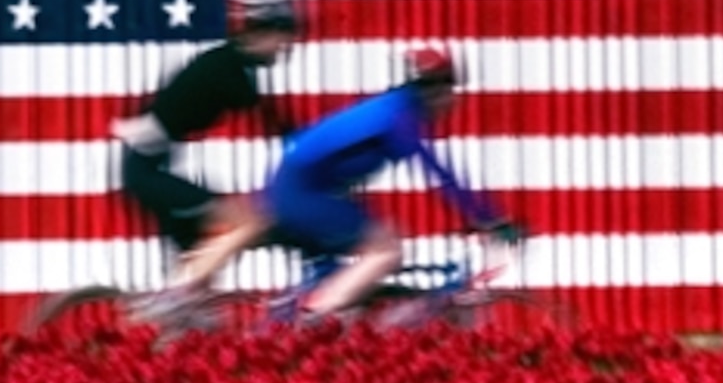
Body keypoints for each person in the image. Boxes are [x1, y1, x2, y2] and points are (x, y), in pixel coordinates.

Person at [158, 48, 526, 322]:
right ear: (437, 91)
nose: (454, 101)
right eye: (451, 91)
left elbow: (322, 154)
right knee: (386, 250)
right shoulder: (401, 116)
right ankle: (316, 316)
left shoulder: (387, 107)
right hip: (303, 191)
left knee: (296, 230)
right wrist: (491, 220)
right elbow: (441, 176)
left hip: (292, 182)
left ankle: (179, 291)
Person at [114, 0, 301, 264]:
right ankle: (180, 298)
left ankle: (183, 299)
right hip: (148, 177)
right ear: (260, 34)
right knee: (254, 224)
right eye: (280, 44)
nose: (281, 53)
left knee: (197, 256)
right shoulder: (227, 70)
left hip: (148, 173)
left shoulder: (226, 63)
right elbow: (276, 126)